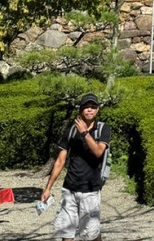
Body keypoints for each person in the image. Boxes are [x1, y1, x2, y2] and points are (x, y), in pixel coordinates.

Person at [42, 93, 111, 241]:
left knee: (91, 234)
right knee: (66, 232)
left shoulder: (103, 129)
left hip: (90, 190)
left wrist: (85, 133)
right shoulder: (71, 131)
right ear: (80, 110)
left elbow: (99, 151)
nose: (89, 110)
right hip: (69, 189)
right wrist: (48, 188)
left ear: (97, 110)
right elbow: (60, 161)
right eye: (86, 107)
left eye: (93, 107)